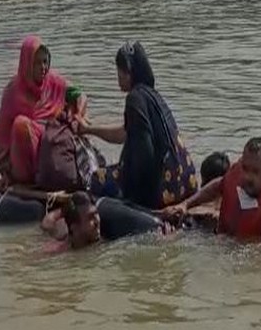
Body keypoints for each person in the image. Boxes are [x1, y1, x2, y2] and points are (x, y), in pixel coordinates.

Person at [78, 41, 197, 209]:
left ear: (128, 73)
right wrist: (88, 129)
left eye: (119, 71)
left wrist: (134, 198)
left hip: (164, 189)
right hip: (185, 181)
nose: (118, 76)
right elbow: (124, 134)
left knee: (96, 179)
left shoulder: (134, 99)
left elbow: (145, 153)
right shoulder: (151, 95)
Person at [0, 35, 86, 185]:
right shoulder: (12, 92)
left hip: (50, 153)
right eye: (37, 63)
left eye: (45, 61)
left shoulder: (54, 82)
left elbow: (79, 94)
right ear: (26, 64)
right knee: (21, 125)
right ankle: (27, 177)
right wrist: (5, 171)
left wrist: (77, 114)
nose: (43, 67)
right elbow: (1, 136)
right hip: (22, 159)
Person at [42, 191, 172, 252]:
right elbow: (48, 222)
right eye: (90, 218)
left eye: (96, 215)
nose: (97, 221)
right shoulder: (57, 250)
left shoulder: (104, 240)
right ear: (74, 227)